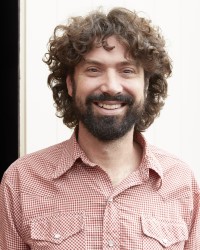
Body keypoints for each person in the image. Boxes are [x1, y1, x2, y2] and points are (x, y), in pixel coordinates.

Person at [0, 7, 199, 249]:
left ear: (146, 87)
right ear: (70, 84)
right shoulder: (22, 180)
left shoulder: (181, 182)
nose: (111, 87)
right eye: (94, 70)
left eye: (127, 71)